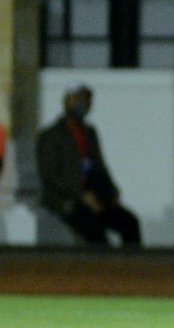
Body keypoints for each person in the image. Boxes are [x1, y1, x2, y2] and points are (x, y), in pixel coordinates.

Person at [35, 84, 142, 248]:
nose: (83, 104)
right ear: (67, 102)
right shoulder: (50, 136)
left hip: (93, 196)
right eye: (78, 99)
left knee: (130, 223)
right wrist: (81, 196)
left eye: (86, 100)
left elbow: (99, 166)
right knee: (95, 231)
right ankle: (102, 270)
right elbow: (50, 176)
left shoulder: (89, 133)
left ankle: (133, 269)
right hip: (65, 200)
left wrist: (111, 193)